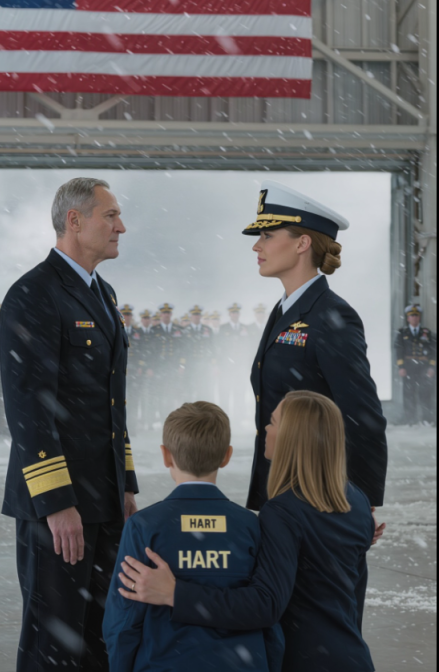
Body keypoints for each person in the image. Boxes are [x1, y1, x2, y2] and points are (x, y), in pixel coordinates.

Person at [118, 391, 383, 672]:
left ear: (292, 438)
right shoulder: (356, 501)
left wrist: (175, 593)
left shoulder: (283, 512)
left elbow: (265, 604)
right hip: (351, 655)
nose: (266, 429)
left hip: (304, 660)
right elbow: (354, 596)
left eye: (273, 421)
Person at [0, 177, 138, 671]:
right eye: (111, 216)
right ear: (74, 221)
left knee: (102, 634)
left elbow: (110, 402)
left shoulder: (103, 292)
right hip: (59, 507)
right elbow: (29, 410)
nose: (121, 226)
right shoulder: (34, 294)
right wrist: (57, 503)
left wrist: (126, 483)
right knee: (53, 641)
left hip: (104, 498)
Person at [242, 180, 387, 512]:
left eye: (267, 236)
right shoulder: (285, 310)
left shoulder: (332, 316)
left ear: (302, 243)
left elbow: (362, 415)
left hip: (315, 500)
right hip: (281, 493)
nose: (257, 247)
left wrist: (360, 501)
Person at [103, 401, 278, 672]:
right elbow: (270, 619)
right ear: (226, 456)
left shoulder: (144, 525)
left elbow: (123, 619)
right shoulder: (250, 526)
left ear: (166, 456)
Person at [395, 303, 436, 424]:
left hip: (424, 367)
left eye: (416, 316)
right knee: (409, 394)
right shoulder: (402, 333)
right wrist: (401, 367)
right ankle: (410, 421)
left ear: (419, 318)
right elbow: (399, 350)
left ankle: (427, 420)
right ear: (408, 318)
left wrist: (432, 367)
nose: (414, 318)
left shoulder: (427, 333)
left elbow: (434, 350)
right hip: (409, 367)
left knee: (426, 394)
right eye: (412, 316)